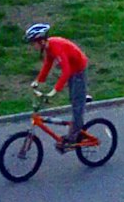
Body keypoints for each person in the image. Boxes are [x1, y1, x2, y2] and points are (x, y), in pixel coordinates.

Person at [25, 22, 90, 150]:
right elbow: (47, 64)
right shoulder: (49, 48)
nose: (33, 46)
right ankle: (80, 100)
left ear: (42, 41)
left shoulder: (56, 47)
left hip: (78, 70)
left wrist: (55, 90)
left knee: (77, 107)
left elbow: (66, 71)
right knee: (74, 99)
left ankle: (72, 139)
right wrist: (38, 80)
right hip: (72, 69)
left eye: (33, 43)